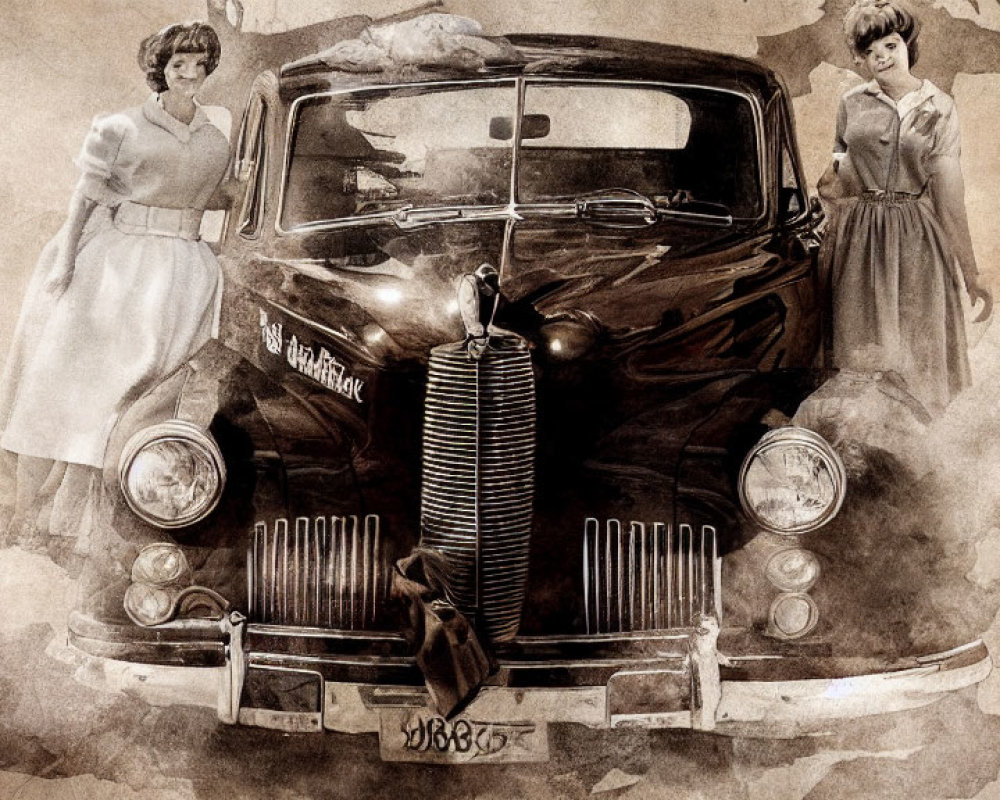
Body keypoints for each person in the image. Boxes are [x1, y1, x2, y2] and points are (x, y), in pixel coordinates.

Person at [0, 22, 230, 546]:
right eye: (179, 65)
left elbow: (206, 191)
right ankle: (23, 516)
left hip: (188, 275)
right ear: (159, 70)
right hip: (122, 269)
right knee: (71, 392)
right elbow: (86, 197)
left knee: (145, 402)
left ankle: (117, 527)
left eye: (200, 65)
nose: (191, 75)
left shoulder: (214, 136)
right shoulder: (120, 126)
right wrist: (65, 261)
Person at [817, 0, 992, 418]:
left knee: (917, 354)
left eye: (891, 45)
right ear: (860, 57)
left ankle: (912, 457)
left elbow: (949, 196)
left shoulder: (939, 106)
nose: (882, 57)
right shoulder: (852, 103)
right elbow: (838, 175)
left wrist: (971, 272)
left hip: (917, 241)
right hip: (858, 238)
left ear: (907, 45)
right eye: (870, 50)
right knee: (860, 352)